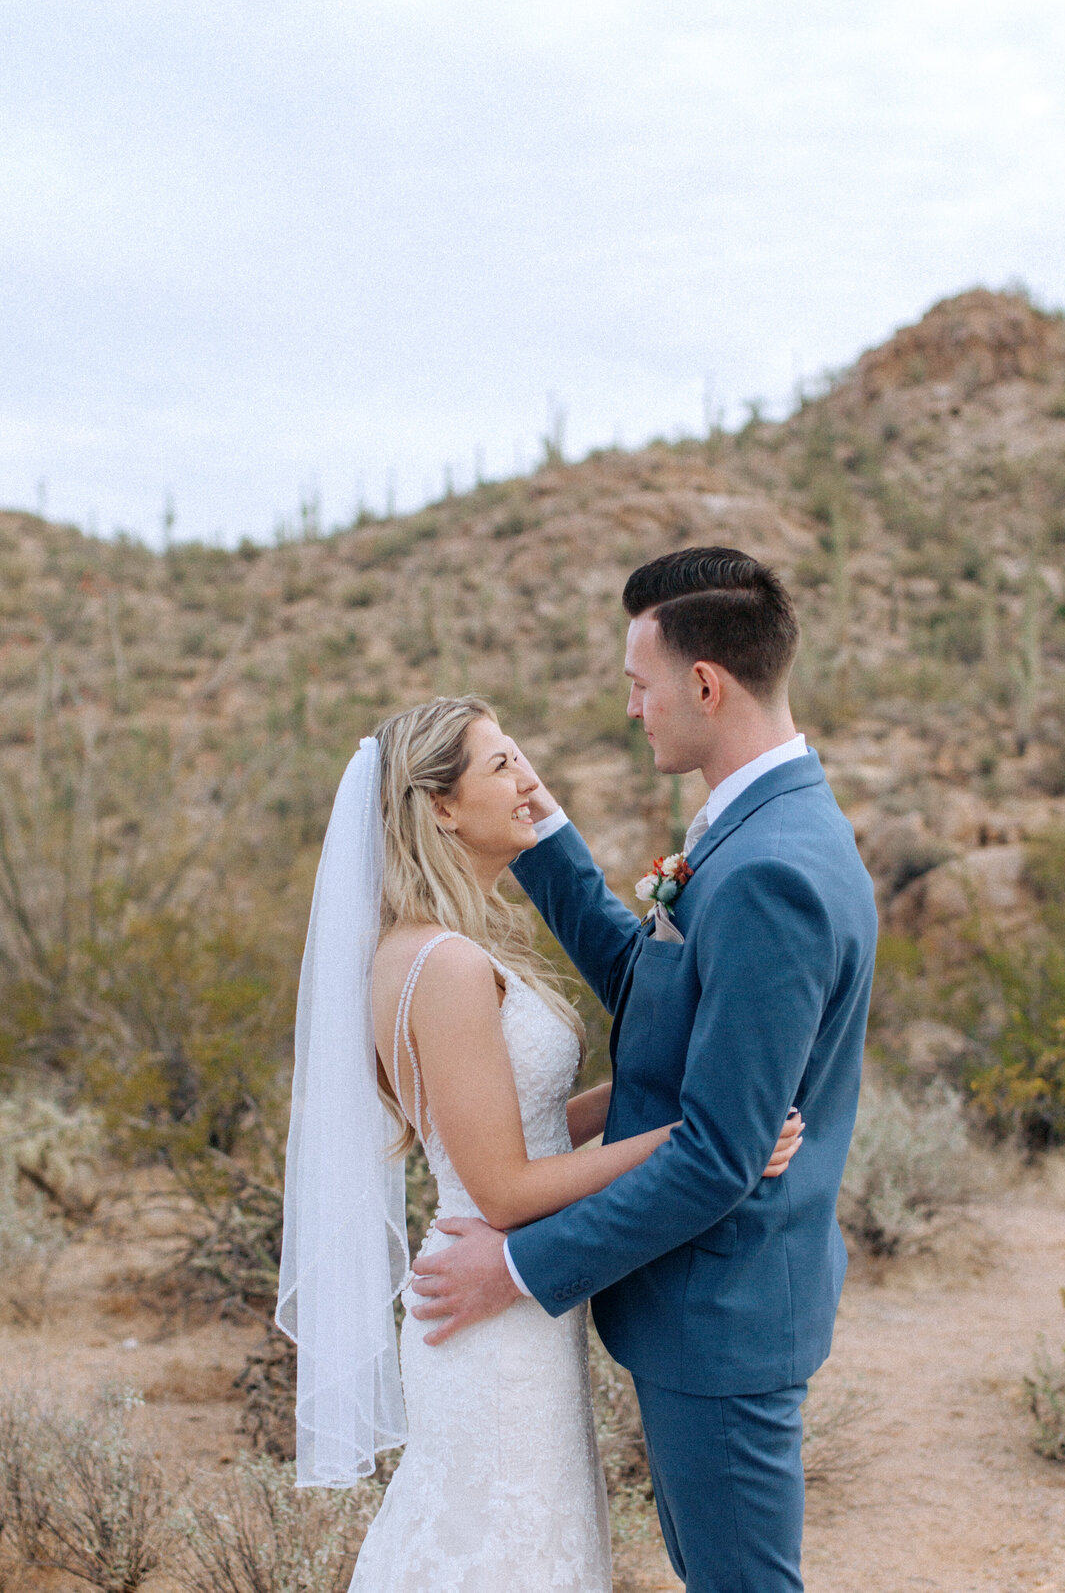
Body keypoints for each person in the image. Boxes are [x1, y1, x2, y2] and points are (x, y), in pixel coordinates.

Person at [409, 547, 878, 1593]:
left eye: (639, 682)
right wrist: (545, 832)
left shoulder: (769, 871)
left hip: (727, 1312)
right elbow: (657, 993)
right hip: (703, 1312)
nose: (633, 707)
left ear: (703, 683)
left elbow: (720, 1153)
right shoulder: (757, 827)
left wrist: (517, 1266)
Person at [275, 693, 802, 1593]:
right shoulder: (441, 963)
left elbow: (528, 1118)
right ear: (441, 805)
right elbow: (509, 1189)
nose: (530, 782)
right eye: (502, 765)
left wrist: (659, 1105)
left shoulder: (430, 946)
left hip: (509, 1304)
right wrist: (700, 1138)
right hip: (492, 1308)